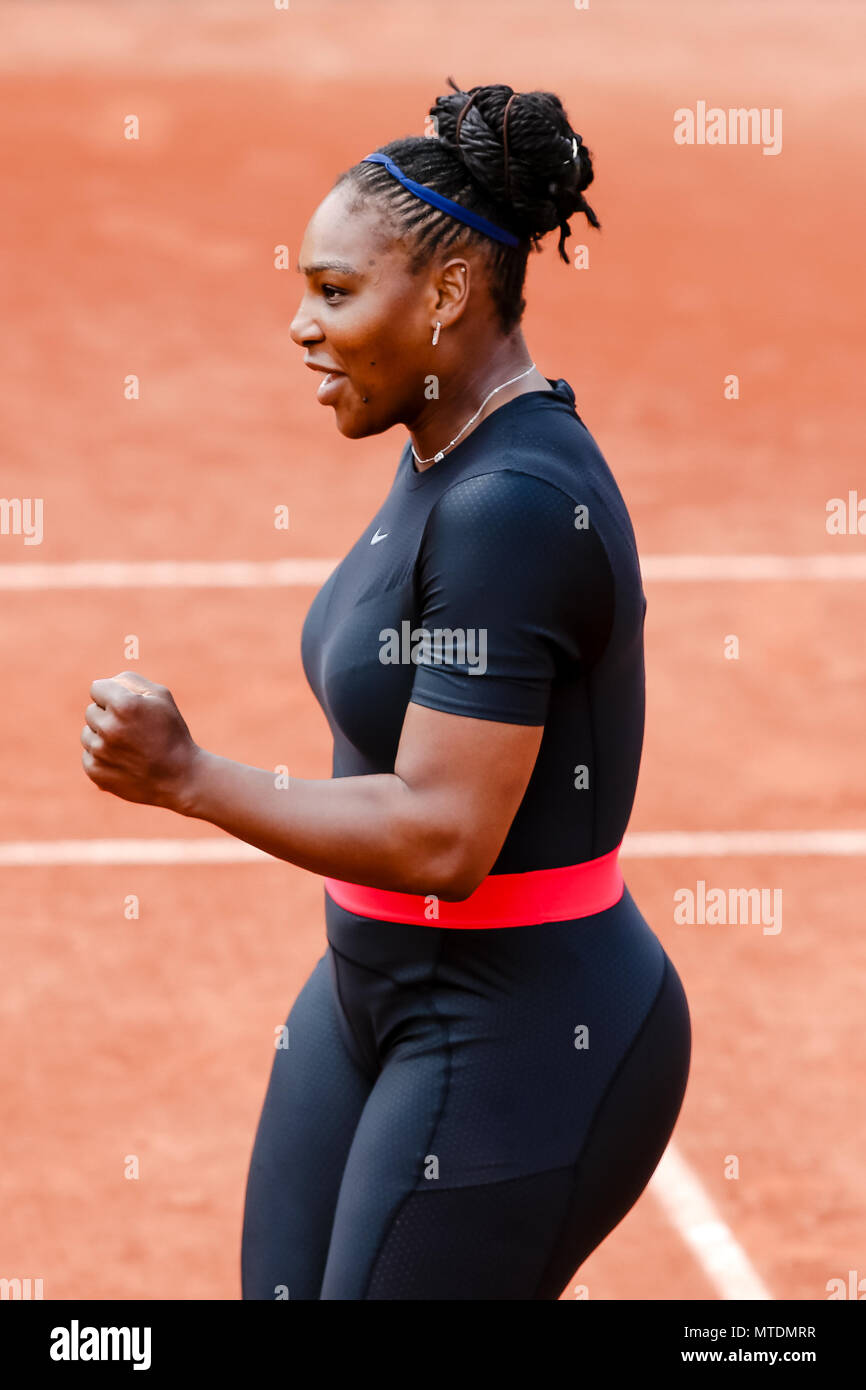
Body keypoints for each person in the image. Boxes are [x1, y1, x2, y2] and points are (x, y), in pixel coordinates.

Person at [81, 79, 691, 1300]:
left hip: (518, 1033)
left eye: (334, 291)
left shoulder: (510, 505)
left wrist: (191, 778)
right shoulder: (442, 448)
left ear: (450, 293)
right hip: (369, 995)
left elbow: (440, 832)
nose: (300, 328)